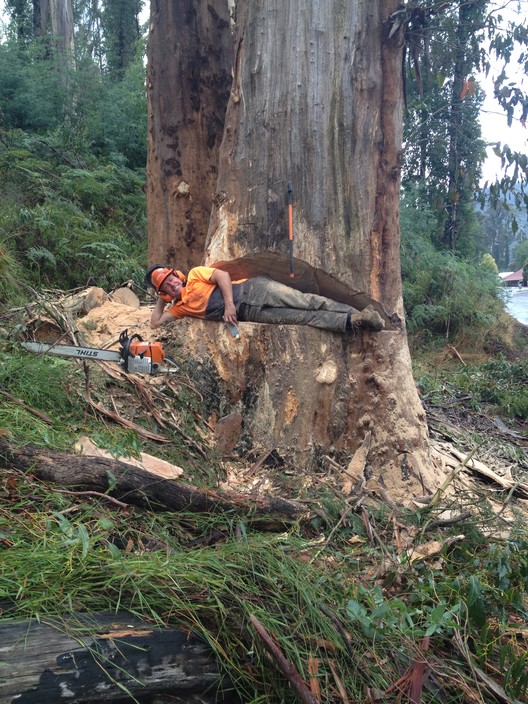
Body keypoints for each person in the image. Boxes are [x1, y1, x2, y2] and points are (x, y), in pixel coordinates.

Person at [145, 264, 385, 334]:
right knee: (302, 318)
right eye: (166, 285)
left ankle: (360, 313)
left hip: (253, 290)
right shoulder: (181, 308)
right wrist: (162, 298)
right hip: (251, 314)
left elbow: (222, 275)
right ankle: (353, 322)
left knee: (306, 301)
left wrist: (228, 304)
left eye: (171, 278)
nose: (173, 284)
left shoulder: (196, 275)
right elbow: (155, 323)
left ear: (177, 274)